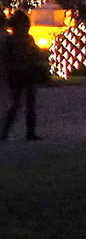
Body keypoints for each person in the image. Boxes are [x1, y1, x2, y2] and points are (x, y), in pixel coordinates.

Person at [2, 9, 45, 140]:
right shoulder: (19, 40)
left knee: (19, 103)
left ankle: (7, 131)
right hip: (24, 72)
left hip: (19, 73)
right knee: (24, 103)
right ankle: (27, 131)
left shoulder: (11, 40)